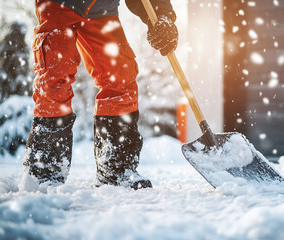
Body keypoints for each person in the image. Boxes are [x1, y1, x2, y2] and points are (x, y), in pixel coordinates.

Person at [22, 0, 178, 190]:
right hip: (58, 4)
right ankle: (44, 169)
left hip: (101, 7)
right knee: (55, 75)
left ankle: (115, 169)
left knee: (120, 75)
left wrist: (163, 16)